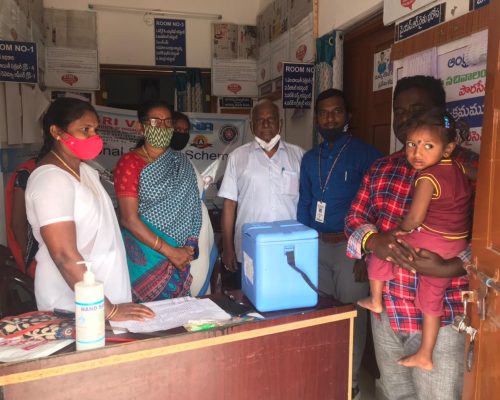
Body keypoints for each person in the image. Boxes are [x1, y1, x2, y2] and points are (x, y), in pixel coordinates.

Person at [345, 76, 478, 400]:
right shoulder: (382, 168)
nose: (406, 121)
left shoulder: (470, 170)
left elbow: (491, 240)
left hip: (443, 317)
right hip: (388, 309)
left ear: (439, 114)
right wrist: (374, 242)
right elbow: (354, 219)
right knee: (393, 393)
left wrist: (451, 268)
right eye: (400, 111)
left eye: (417, 111)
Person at [358, 109, 472, 372]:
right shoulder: (459, 169)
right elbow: (355, 217)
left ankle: (376, 298)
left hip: (434, 252)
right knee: (432, 299)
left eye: (427, 145)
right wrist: (372, 240)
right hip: (450, 245)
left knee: (381, 252)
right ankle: (425, 354)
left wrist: (393, 233)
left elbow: (414, 219)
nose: (417, 152)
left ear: (448, 147)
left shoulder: (428, 176)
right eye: (412, 144)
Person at [25, 97, 154, 321]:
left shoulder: (84, 171)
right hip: (72, 303)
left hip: (103, 296)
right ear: (57, 132)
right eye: (85, 129)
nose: (94, 136)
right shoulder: (51, 179)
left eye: (95, 129)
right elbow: (64, 255)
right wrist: (108, 309)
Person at [297, 88, 382, 399]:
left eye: (336, 112)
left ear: (348, 116)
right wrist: (303, 247)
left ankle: (350, 381)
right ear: (317, 118)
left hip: (351, 249)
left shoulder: (367, 155)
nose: (329, 117)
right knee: (319, 312)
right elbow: (304, 203)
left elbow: (377, 208)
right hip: (316, 246)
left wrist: (366, 256)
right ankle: (323, 374)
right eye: (323, 113)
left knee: (351, 315)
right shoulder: (309, 159)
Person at [114, 100, 202, 302]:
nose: (162, 127)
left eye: (167, 122)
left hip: (180, 253)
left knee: (176, 318)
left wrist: (188, 245)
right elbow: (128, 219)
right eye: (155, 122)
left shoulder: (181, 162)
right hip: (145, 257)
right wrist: (170, 251)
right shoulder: (129, 163)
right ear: (141, 127)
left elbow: (193, 206)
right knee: (143, 320)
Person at [218, 100, 304, 288]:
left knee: (285, 296)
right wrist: (228, 247)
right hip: (249, 247)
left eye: (271, 120)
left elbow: (306, 201)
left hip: (289, 246)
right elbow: (229, 205)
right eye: (260, 120)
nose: (265, 125)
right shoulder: (237, 157)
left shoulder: (298, 156)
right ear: (251, 126)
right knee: (249, 300)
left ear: (280, 123)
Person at [171, 111, 216, 295]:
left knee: (199, 282)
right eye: (177, 129)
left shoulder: (185, 159)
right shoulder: (160, 161)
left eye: (185, 130)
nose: (182, 133)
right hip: (179, 237)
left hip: (199, 231)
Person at [5, 158, 38, 278]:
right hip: (37, 259)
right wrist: (27, 257)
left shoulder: (82, 169)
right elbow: (18, 224)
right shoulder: (27, 173)